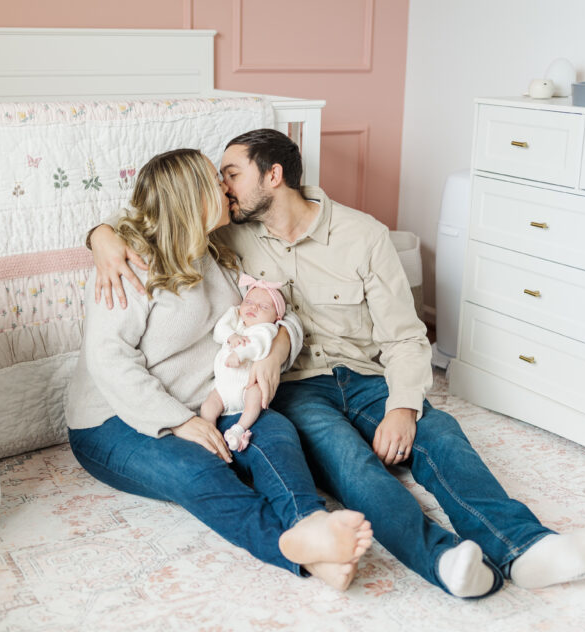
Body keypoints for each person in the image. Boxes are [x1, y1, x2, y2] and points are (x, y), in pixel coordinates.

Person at [87, 130, 585, 599]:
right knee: (351, 465)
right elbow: (160, 213)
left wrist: (404, 406)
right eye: (218, 180)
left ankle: (527, 548)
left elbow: (402, 335)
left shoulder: (360, 235)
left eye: (231, 175)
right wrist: (101, 238)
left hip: (364, 374)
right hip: (297, 386)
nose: (224, 188)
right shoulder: (226, 233)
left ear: (273, 176)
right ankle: (442, 560)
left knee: (440, 433)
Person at [65, 148, 373, 591]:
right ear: (191, 198)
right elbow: (108, 359)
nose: (227, 187)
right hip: (111, 419)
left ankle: (310, 524)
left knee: (275, 431)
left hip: (206, 401)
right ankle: (290, 549)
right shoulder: (131, 264)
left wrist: (275, 350)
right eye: (216, 181)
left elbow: (274, 313)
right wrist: (179, 421)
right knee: (199, 469)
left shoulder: (218, 252)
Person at [201, 276, 287, 451]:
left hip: (246, 387)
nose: (253, 307)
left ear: (276, 317)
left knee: (256, 397)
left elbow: (257, 346)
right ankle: (209, 433)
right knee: (207, 407)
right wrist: (231, 336)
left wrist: (240, 355)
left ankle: (239, 429)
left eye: (264, 307)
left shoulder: (267, 329)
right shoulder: (236, 320)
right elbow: (219, 330)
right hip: (222, 389)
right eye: (249, 302)